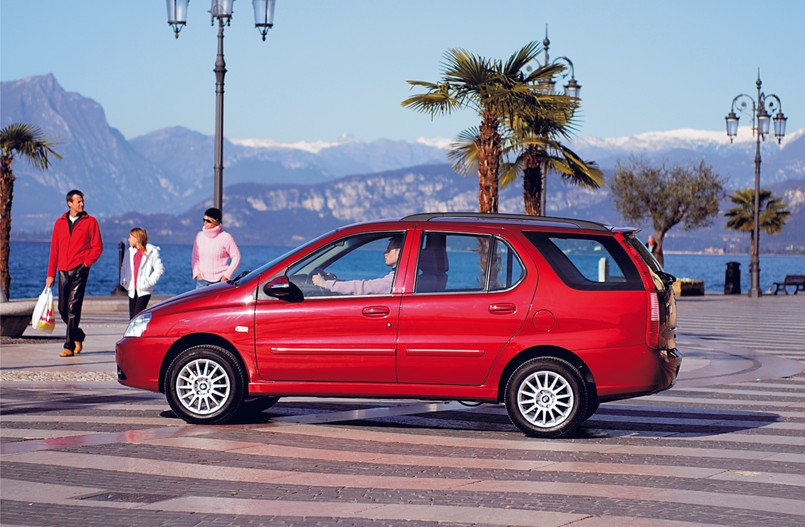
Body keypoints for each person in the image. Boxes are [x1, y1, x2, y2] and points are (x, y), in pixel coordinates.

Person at [45, 189, 103, 357]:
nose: (82, 204)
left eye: (82, 201)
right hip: (62, 270)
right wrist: (51, 274)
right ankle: (78, 334)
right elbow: (54, 250)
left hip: (80, 269)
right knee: (63, 308)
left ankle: (69, 345)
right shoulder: (59, 223)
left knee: (73, 308)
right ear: (69, 203)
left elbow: (97, 246)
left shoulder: (90, 221)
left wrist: (86, 264)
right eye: (78, 201)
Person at [312, 236, 402, 295]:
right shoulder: (400, 278)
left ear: (399, 253)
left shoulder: (397, 280)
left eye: (389, 250)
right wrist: (334, 282)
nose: (385, 253)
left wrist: (325, 284)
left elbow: (364, 288)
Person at [120, 227, 165, 319]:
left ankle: (138, 333)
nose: (128, 239)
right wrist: (123, 281)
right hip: (132, 289)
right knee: (132, 319)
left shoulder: (151, 251)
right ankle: (134, 334)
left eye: (131, 237)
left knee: (138, 318)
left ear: (137, 239)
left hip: (144, 290)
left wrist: (148, 283)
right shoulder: (129, 252)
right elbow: (124, 267)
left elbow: (160, 269)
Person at [192, 207, 240, 288]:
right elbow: (195, 256)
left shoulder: (226, 237)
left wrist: (226, 275)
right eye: (204, 220)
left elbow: (237, 257)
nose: (205, 223)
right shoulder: (199, 236)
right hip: (202, 282)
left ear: (216, 222)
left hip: (221, 282)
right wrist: (196, 273)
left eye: (208, 221)